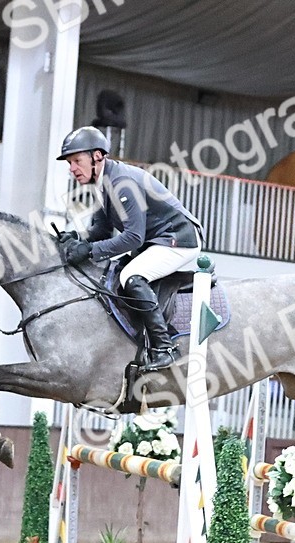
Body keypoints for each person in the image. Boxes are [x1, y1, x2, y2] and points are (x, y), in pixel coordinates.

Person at [55, 126, 203, 372]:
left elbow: (133, 238)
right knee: (113, 273)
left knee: (131, 277)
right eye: (69, 163)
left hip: (178, 239)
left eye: (76, 161)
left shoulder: (121, 182)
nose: (72, 169)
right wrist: (79, 238)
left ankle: (164, 348)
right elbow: (102, 230)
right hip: (154, 240)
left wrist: (89, 251)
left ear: (98, 156)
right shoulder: (103, 181)